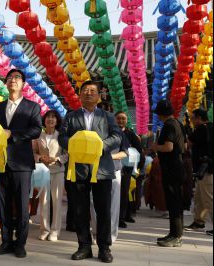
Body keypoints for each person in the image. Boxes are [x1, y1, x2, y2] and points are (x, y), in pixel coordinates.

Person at [58, 80, 121, 263]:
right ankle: (84, 246)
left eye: (92, 91)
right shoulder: (71, 116)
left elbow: (117, 136)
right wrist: (73, 145)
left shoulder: (108, 116)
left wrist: (101, 146)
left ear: (99, 96)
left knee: (103, 210)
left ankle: (104, 248)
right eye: (85, 90)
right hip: (77, 169)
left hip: (101, 169)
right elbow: (62, 136)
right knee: (80, 210)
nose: (88, 93)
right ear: (79, 95)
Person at [0, 69, 42, 258]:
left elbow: (36, 130)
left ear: (23, 84)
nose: (13, 80)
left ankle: (20, 243)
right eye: (9, 78)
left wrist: (13, 134)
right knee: (2, 203)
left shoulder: (32, 107)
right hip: (1, 161)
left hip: (22, 162)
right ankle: (5, 241)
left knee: (21, 205)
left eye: (17, 78)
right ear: (6, 83)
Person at [150, 100, 186, 247]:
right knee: (176, 202)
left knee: (173, 203)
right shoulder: (178, 123)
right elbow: (184, 145)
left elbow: (168, 147)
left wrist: (155, 146)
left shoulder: (169, 125)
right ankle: (174, 233)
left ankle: (176, 236)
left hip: (171, 168)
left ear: (160, 114)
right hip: (178, 166)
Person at [33, 110, 68, 242]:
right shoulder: (38, 136)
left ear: (57, 121)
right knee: (44, 201)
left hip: (57, 171)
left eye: (53, 117)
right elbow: (33, 153)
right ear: (44, 120)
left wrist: (57, 159)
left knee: (57, 201)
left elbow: (67, 153)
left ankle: (55, 231)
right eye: (48, 117)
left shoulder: (61, 136)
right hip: (43, 171)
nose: (50, 120)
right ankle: (44, 229)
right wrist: (40, 158)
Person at [91, 130, 129, 243]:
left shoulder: (118, 133)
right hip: (95, 171)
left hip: (114, 171)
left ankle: (110, 235)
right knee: (93, 203)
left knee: (113, 205)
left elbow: (125, 152)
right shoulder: (94, 130)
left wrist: (109, 156)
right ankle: (95, 233)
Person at [184, 109, 213, 236]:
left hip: (206, 169)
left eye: (192, 118)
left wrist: (188, 131)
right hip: (205, 169)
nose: (191, 121)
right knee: (199, 198)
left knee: (208, 198)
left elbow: (188, 145)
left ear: (199, 118)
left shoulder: (201, 128)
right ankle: (199, 221)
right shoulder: (210, 127)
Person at [115, 111, 145, 228]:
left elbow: (139, 150)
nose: (121, 121)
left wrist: (138, 167)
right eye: (118, 118)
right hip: (111, 166)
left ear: (126, 120)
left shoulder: (130, 134)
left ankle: (122, 217)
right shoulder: (109, 131)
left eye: (123, 118)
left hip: (126, 169)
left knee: (124, 193)